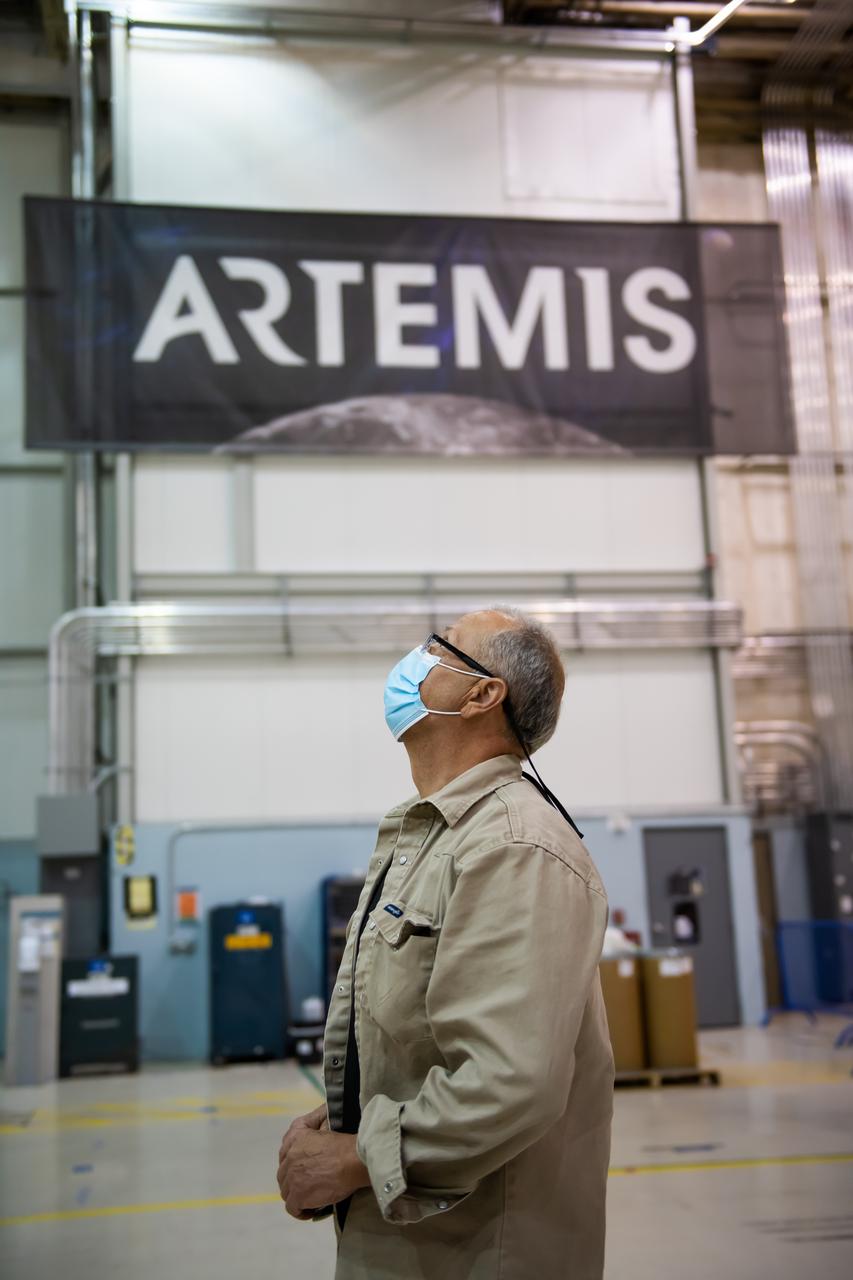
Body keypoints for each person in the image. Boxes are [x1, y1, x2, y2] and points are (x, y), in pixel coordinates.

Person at [277, 608, 614, 1280]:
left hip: (480, 1254)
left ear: (482, 694)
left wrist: (352, 1158)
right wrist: (345, 1113)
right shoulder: (435, 834)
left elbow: (509, 1081)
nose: (414, 660)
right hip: (414, 1243)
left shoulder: (513, 847)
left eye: (441, 646)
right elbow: (416, 1036)